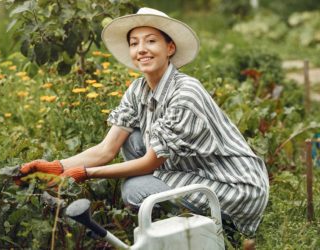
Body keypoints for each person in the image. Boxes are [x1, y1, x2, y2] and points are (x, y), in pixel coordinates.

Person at [19, 7, 269, 238]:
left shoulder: (186, 93)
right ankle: (176, 213)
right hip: (196, 171)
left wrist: (84, 174)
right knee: (134, 139)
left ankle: (220, 229)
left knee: (135, 189)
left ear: (170, 48)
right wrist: (55, 167)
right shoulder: (139, 89)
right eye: (134, 43)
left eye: (151, 41)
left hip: (234, 187)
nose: (141, 49)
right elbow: (106, 150)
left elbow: (151, 161)